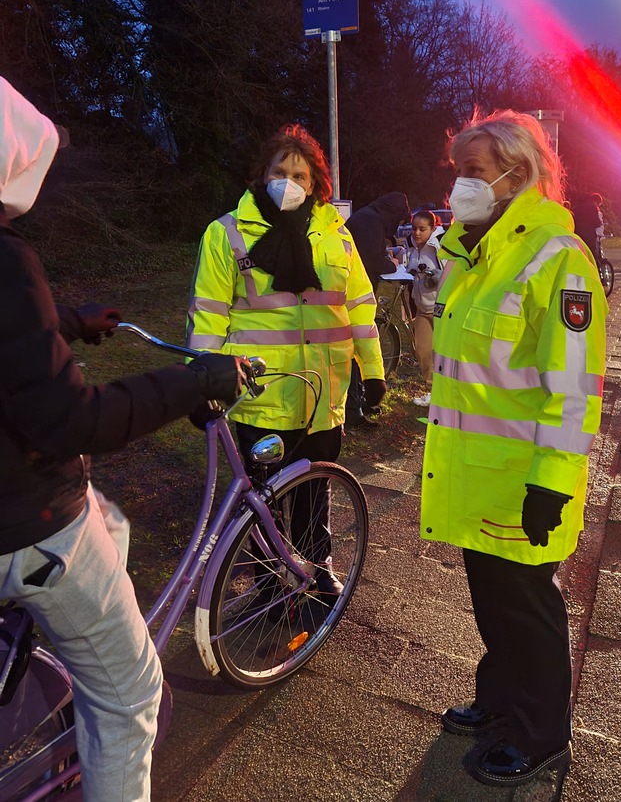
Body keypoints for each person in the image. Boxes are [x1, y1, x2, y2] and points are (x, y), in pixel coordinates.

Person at [0, 76, 248, 801]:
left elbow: (12, 343)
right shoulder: (7, 260)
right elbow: (79, 422)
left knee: (114, 522)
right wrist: (193, 383)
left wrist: (69, 321)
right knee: (134, 694)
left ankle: (59, 649)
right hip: (27, 524)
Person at [420, 109, 607, 789]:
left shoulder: (558, 258)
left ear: (516, 173)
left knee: (528, 612)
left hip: (525, 481)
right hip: (476, 474)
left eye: (472, 171)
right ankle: (501, 701)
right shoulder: (475, 253)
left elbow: (574, 385)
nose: (460, 184)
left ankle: (541, 733)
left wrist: (552, 481)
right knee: (494, 605)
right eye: (458, 171)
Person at [187, 124, 386, 593]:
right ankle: (269, 583)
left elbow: (359, 306)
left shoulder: (337, 237)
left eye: (301, 174)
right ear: (263, 174)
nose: (290, 182)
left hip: (323, 392)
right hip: (261, 392)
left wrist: (373, 370)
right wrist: (201, 380)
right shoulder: (226, 234)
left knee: (315, 489)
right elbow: (209, 315)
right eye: (281, 171)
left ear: (317, 183)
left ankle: (318, 570)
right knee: (261, 497)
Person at [343, 192, 410, 429]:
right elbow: (370, 260)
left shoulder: (367, 217)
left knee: (357, 353)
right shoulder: (371, 221)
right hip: (354, 299)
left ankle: (360, 403)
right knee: (354, 352)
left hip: (353, 296)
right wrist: (390, 264)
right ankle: (353, 411)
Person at [404, 210, 443, 408]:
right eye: (414, 228)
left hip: (441, 310)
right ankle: (432, 391)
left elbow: (453, 274)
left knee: (444, 353)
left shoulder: (440, 246)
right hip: (421, 308)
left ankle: (447, 394)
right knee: (423, 351)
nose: (417, 233)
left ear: (433, 229)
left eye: (422, 229)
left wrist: (438, 276)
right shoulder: (411, 245)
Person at [571, 191, 605, 263]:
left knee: (580, 254)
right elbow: (596, 222)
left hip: (577, 235)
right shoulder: (592, 207)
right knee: (591, 255)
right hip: (589, 236)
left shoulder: (577, 208)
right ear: (595, 201)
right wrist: (599, 223)